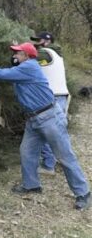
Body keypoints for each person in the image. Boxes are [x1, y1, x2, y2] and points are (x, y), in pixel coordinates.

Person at [0, 42, 90, 210]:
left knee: (64, 156)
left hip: (49, 118)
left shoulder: (30, 67)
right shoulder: (24, 68)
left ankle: (83, 193)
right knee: (27, 151)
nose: (14, 57)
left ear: (26, 56)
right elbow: (11, 72)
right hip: (34, 119)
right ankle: (31, 185)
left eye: (17, 54)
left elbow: (3, 74)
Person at [30, 31, 70, 175]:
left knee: (47, 129)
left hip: (52, 96)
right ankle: (63, 160)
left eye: (38, 41)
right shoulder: (56, 54)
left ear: (46, 41)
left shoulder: (46, 52)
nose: (36, 44)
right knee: (58, 130)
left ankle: (48, 165)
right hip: (61, 95)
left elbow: (28, 58)